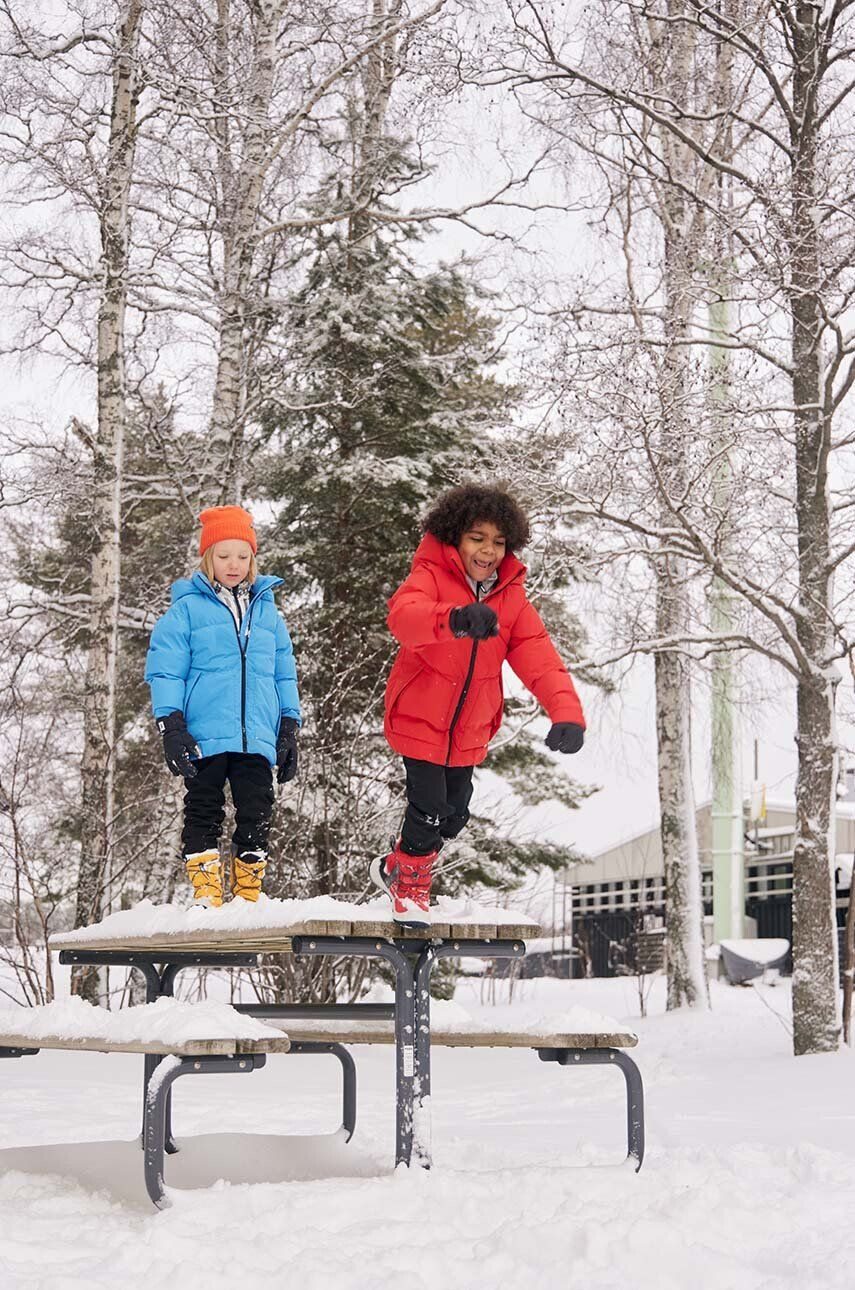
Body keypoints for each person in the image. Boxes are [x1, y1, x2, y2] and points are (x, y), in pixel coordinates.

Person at [371, 482, 586, 927]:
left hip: (469, 728)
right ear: (455, 537)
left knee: (454, 814)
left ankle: (396, 866)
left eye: (498, 542)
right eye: (477, 538)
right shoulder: (430, 576)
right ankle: (411, 892)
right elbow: (404, 618)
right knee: (428, 807)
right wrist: (453, 619)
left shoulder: (510, 598)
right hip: (421, 716)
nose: (488, 551)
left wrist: (566, 713)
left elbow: (539, 656)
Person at [145, 505, 301, 906]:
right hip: (203, 734)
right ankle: (207, 893)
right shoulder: (186, 611)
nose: (233, 564)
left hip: (256, 737)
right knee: (203, 808)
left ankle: (248, 895)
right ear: (207, 558)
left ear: (253, 559)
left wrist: (288, 726)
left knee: (257, 809)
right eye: (223, 555)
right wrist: (171, 724)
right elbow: (166, 671)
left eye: (242, 555)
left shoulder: (267, 611)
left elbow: (283, 672)